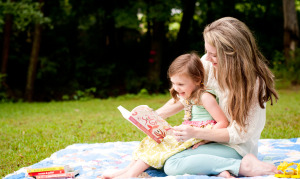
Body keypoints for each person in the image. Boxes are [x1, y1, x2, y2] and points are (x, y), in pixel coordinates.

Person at [156, 17, 281, 178]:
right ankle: (223, 170)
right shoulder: (208, 65)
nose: (206, 58)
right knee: (164, 156)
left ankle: (242, 166)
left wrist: (196, 133)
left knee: (172, 164)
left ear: (233, 55)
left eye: (213, 54)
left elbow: (240, 134)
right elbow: (187, 95)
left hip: (236, 147)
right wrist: (153, 116)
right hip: (209, 140)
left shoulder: (255, 84)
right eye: (206, 51)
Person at [102, 52, 229, 178]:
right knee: (152, 140)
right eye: (173, 83)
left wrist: (206, 139)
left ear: (197, 80)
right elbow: (176, 109)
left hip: (198, 133)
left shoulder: (205, 96)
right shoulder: (189, 94)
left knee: (163, 144)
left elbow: (223, 122)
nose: (176, 88)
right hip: (188, 130)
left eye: (180, 84)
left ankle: (131, 175)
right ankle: (127, 170)